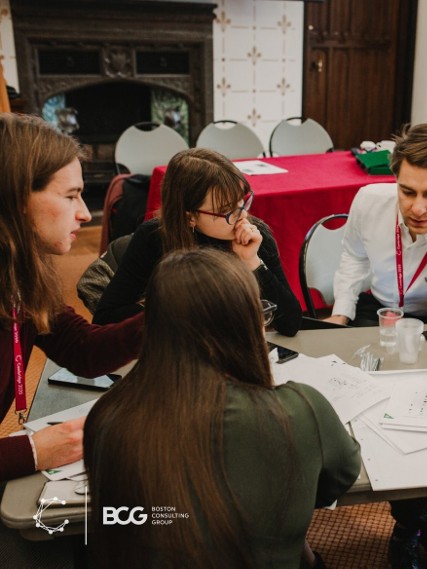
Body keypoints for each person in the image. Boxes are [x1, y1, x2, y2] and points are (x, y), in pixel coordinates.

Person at [85, 248, 361, 568]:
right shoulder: (302, 408)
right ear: (248, 324)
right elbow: (338, 481)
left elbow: (118, 522)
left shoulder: (109, 415)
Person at [327, 124, 427, 568]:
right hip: (373, 313)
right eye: (407, 191)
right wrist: (340, 314)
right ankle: (419, 517)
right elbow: (353, 257)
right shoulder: (368, 201)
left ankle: (412, 520)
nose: (417, 207)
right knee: (345, 402)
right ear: (393, 179)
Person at [0, 113, 142, 482]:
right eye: (70, 196)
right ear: (16, 200)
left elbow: (83, 350)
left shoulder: (19, 276)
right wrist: (30, 452)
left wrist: (170, 311)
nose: (83, 213)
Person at [93, 147, 302, 336]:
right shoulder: (155, 237)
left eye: (242, 202)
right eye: (226, 211)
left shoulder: (253, 237)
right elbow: (105, 318)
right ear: (189, 217)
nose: (242, 217)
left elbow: (291, 324)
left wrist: (252, 262)